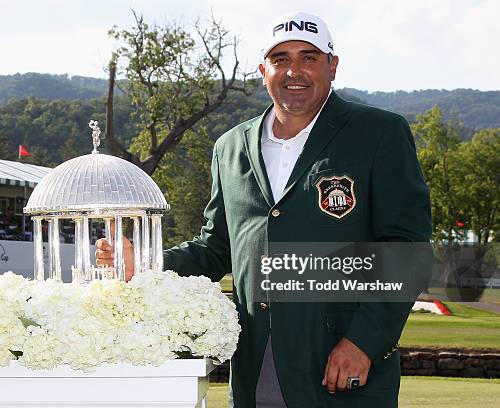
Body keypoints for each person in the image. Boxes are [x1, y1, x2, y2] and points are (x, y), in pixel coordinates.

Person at [96, 11, 431, 407]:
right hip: (256, 367)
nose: (295, 71)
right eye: (281, 59)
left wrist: (363, 341)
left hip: (340, 366)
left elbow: (406, 250)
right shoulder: (230, 147)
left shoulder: (378, 133)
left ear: (333, 66)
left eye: (309, 57)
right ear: (263, 70)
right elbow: (216, 248)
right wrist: (149, 264)